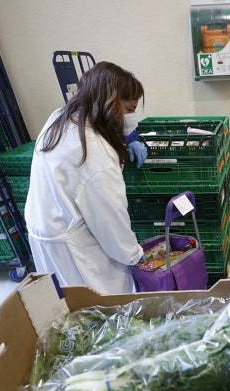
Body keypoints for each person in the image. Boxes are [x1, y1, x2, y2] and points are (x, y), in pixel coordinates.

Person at [24, 61, 147, 294]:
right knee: (100, 313)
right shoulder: (95, 155)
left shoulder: (61, 117)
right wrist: (134, 255)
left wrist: (130, 138)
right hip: (73, 248)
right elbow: (110, 220)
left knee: (67, 307)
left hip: (47, 230)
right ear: (110, 102)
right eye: (129, 110)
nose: (131, 118)